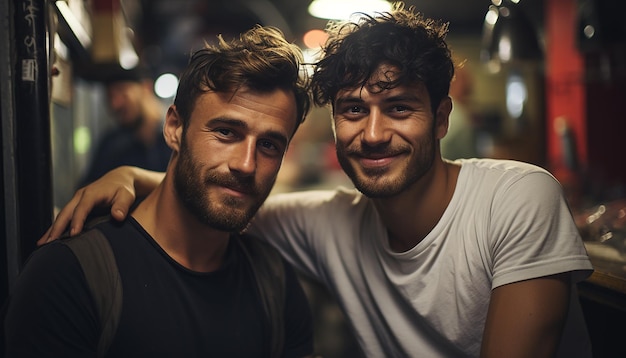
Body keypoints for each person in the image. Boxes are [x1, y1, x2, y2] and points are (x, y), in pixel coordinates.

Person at [40, 3, 594, 357]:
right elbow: (222, 193)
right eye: (353, 110)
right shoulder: (329, 222)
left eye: (399, 108)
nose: (373, 133)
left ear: (442, 118)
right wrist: (133, 177)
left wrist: (134, 175)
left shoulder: (518, 197)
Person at [5, 25, 314, 357]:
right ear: (174, 129)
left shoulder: (275, 282)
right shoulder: (71, 276)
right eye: (226, 132)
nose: (246, 165)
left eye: (268, 145)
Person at [78, 63, 172, 187]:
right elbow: (88, 189)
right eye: (110, 97)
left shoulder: (177, 136)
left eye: (122, 91)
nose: (115, 104)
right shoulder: (111, 144)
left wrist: (132, 177)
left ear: (146, 88)